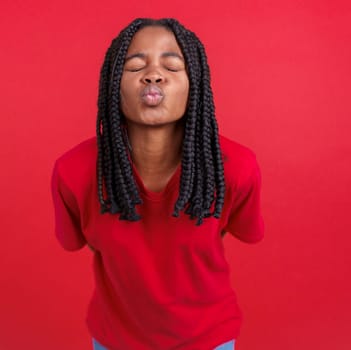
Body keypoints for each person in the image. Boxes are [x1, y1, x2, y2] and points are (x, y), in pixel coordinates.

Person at [51, 17, 264, 350]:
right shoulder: (73, 171)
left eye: (172, 67)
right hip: (115, 339)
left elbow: (243, 229)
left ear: (196, 84)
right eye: (135, 67)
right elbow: (76, 241)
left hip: (209, 339)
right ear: (112, 85)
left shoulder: (236, 167)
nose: (153, 75)